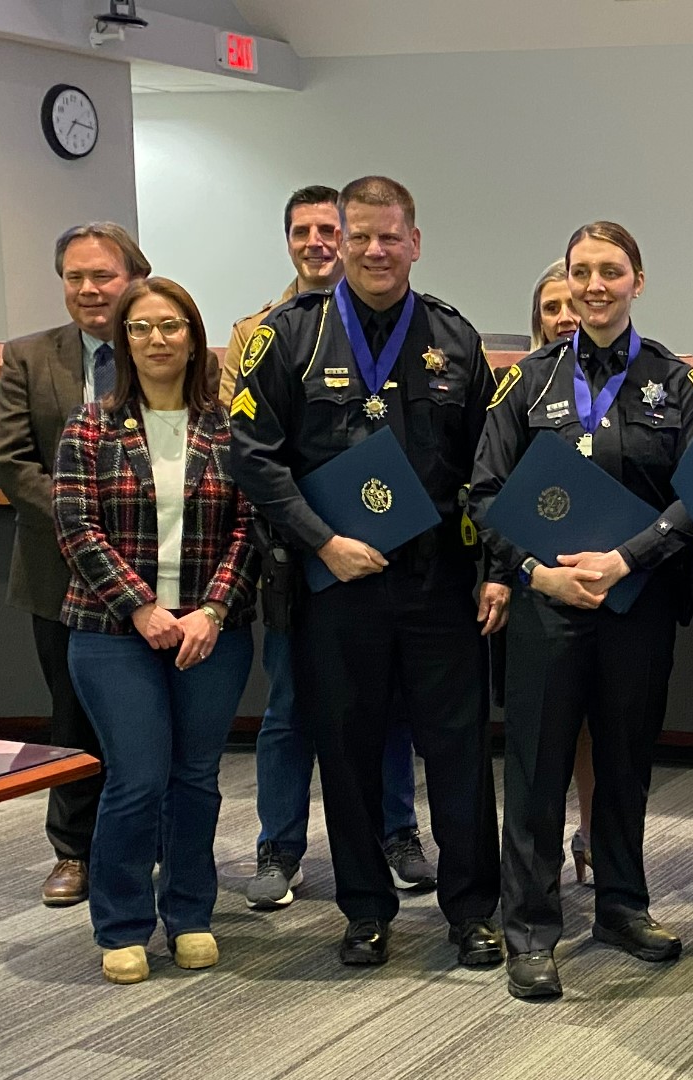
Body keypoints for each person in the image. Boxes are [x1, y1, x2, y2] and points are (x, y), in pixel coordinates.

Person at [228, 175, 509, 966]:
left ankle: (471, 913)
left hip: (438, 582)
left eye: (392, 236)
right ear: (339, 242)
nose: (376, 250)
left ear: (415, 241)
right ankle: (364, 909)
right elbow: (253, 455)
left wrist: (493, 566)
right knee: (345, 750)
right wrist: (321, 539)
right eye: (360, 237)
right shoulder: (288, 336)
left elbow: (487, 467)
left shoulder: (455, 338)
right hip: (336, 582)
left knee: (456, 752)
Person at [471, 223, 693, 1001]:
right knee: (537, 769)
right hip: (548, 608)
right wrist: (537, 575)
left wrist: (627, 558)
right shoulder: (526, 383)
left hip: (635, 603)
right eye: (583, 272)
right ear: (567, 284)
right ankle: (531, 929)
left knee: (624, 764)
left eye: (612, 271)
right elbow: (482, 496)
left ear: (638, 280)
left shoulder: (676, 382)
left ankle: (621, 905)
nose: (596, 285)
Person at [223, 185, 434, 911]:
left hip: (396, 564)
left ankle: (397, 833)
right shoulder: (268, 334)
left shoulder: (427, 331)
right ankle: (279, 846)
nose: (323, 242)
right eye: (310, 232)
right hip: (301, 564)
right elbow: (252, 454)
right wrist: (321, 538)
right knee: (289, 712)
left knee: (391, 710)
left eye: (328, 229)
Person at [53, 277, 260, 983]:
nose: (157, 340)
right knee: (137, 778)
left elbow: (250, 528)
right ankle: (122, 922)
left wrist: (214, 611)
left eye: (171, 326)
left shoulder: (230, 427)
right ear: (123, 341)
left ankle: (191, 913)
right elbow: (76, 527)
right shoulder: (89, 427)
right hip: (113, 631)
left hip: (212, 631)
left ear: (194, 337)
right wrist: (141, 606)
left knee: (196, 779)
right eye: (141, 329)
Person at [0, 222, 150, 906]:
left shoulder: (162, 343)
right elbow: (10, 460)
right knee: (72, 715)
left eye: (102, 276)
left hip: (154, 573)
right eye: (75, 277)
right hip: (61, 571)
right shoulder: (29, 357)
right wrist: (83, 523)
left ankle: (158, 849)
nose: (89, 290)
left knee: (153, 717)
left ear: (134, 277)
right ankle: (74, 852)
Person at [525, 259, 596, 887]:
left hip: (615, 589)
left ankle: (596, 837)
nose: (564, 316)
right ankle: (533, 882)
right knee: (544, 746)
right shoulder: (521, 387)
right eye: (550, 308)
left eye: (570, 303)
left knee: (605, 739)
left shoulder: (643, 380)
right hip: (539, 591)